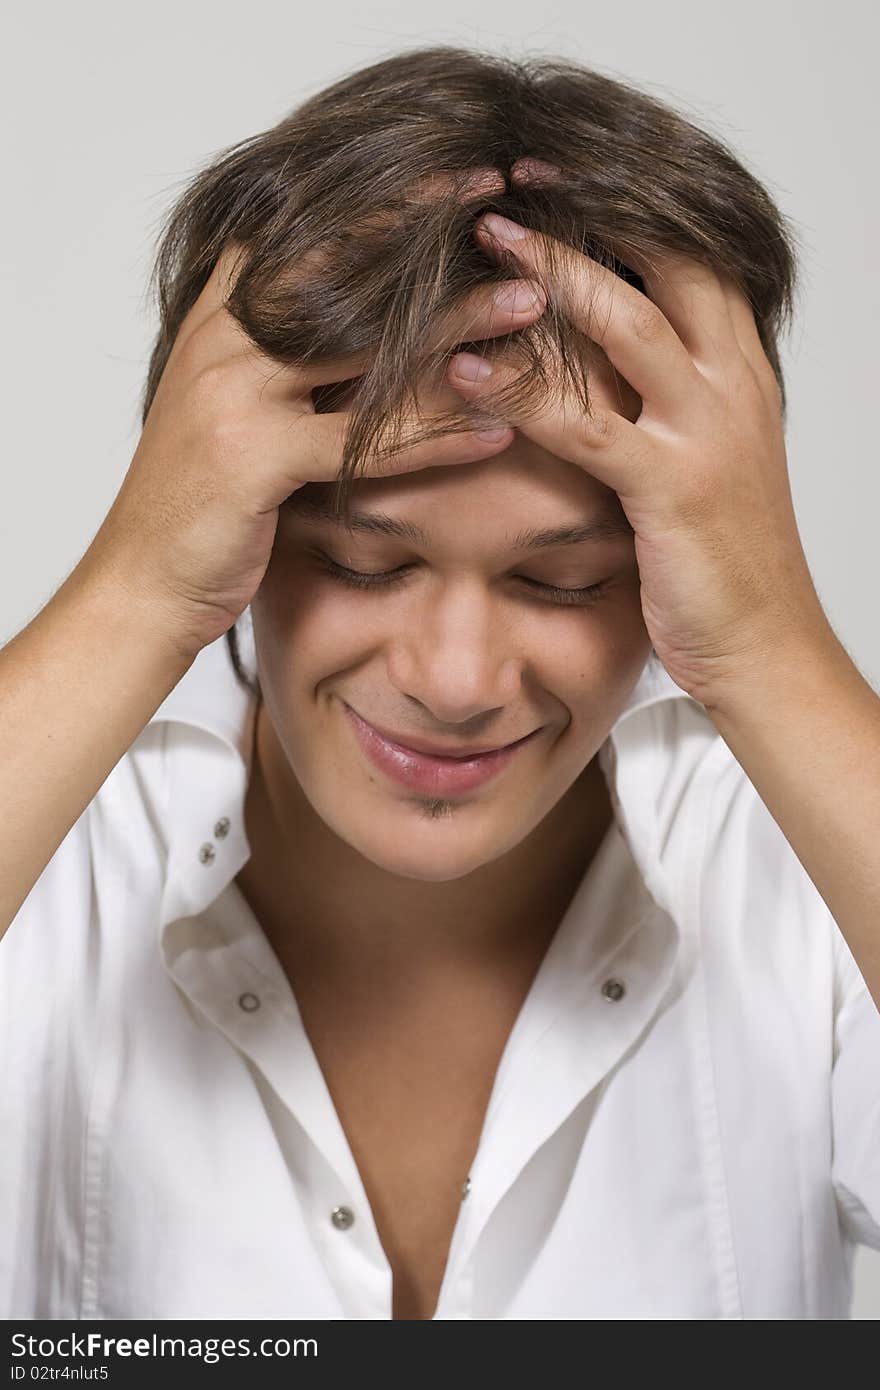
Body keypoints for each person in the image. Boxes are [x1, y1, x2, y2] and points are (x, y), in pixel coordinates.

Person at [2, 45, 879, 1322]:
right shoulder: (65, 848)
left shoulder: (792, 864)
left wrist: (772, 648)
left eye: (565, 582)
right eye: (363, 560)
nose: (456, 680)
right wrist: (132, 591)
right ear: (232, 531)